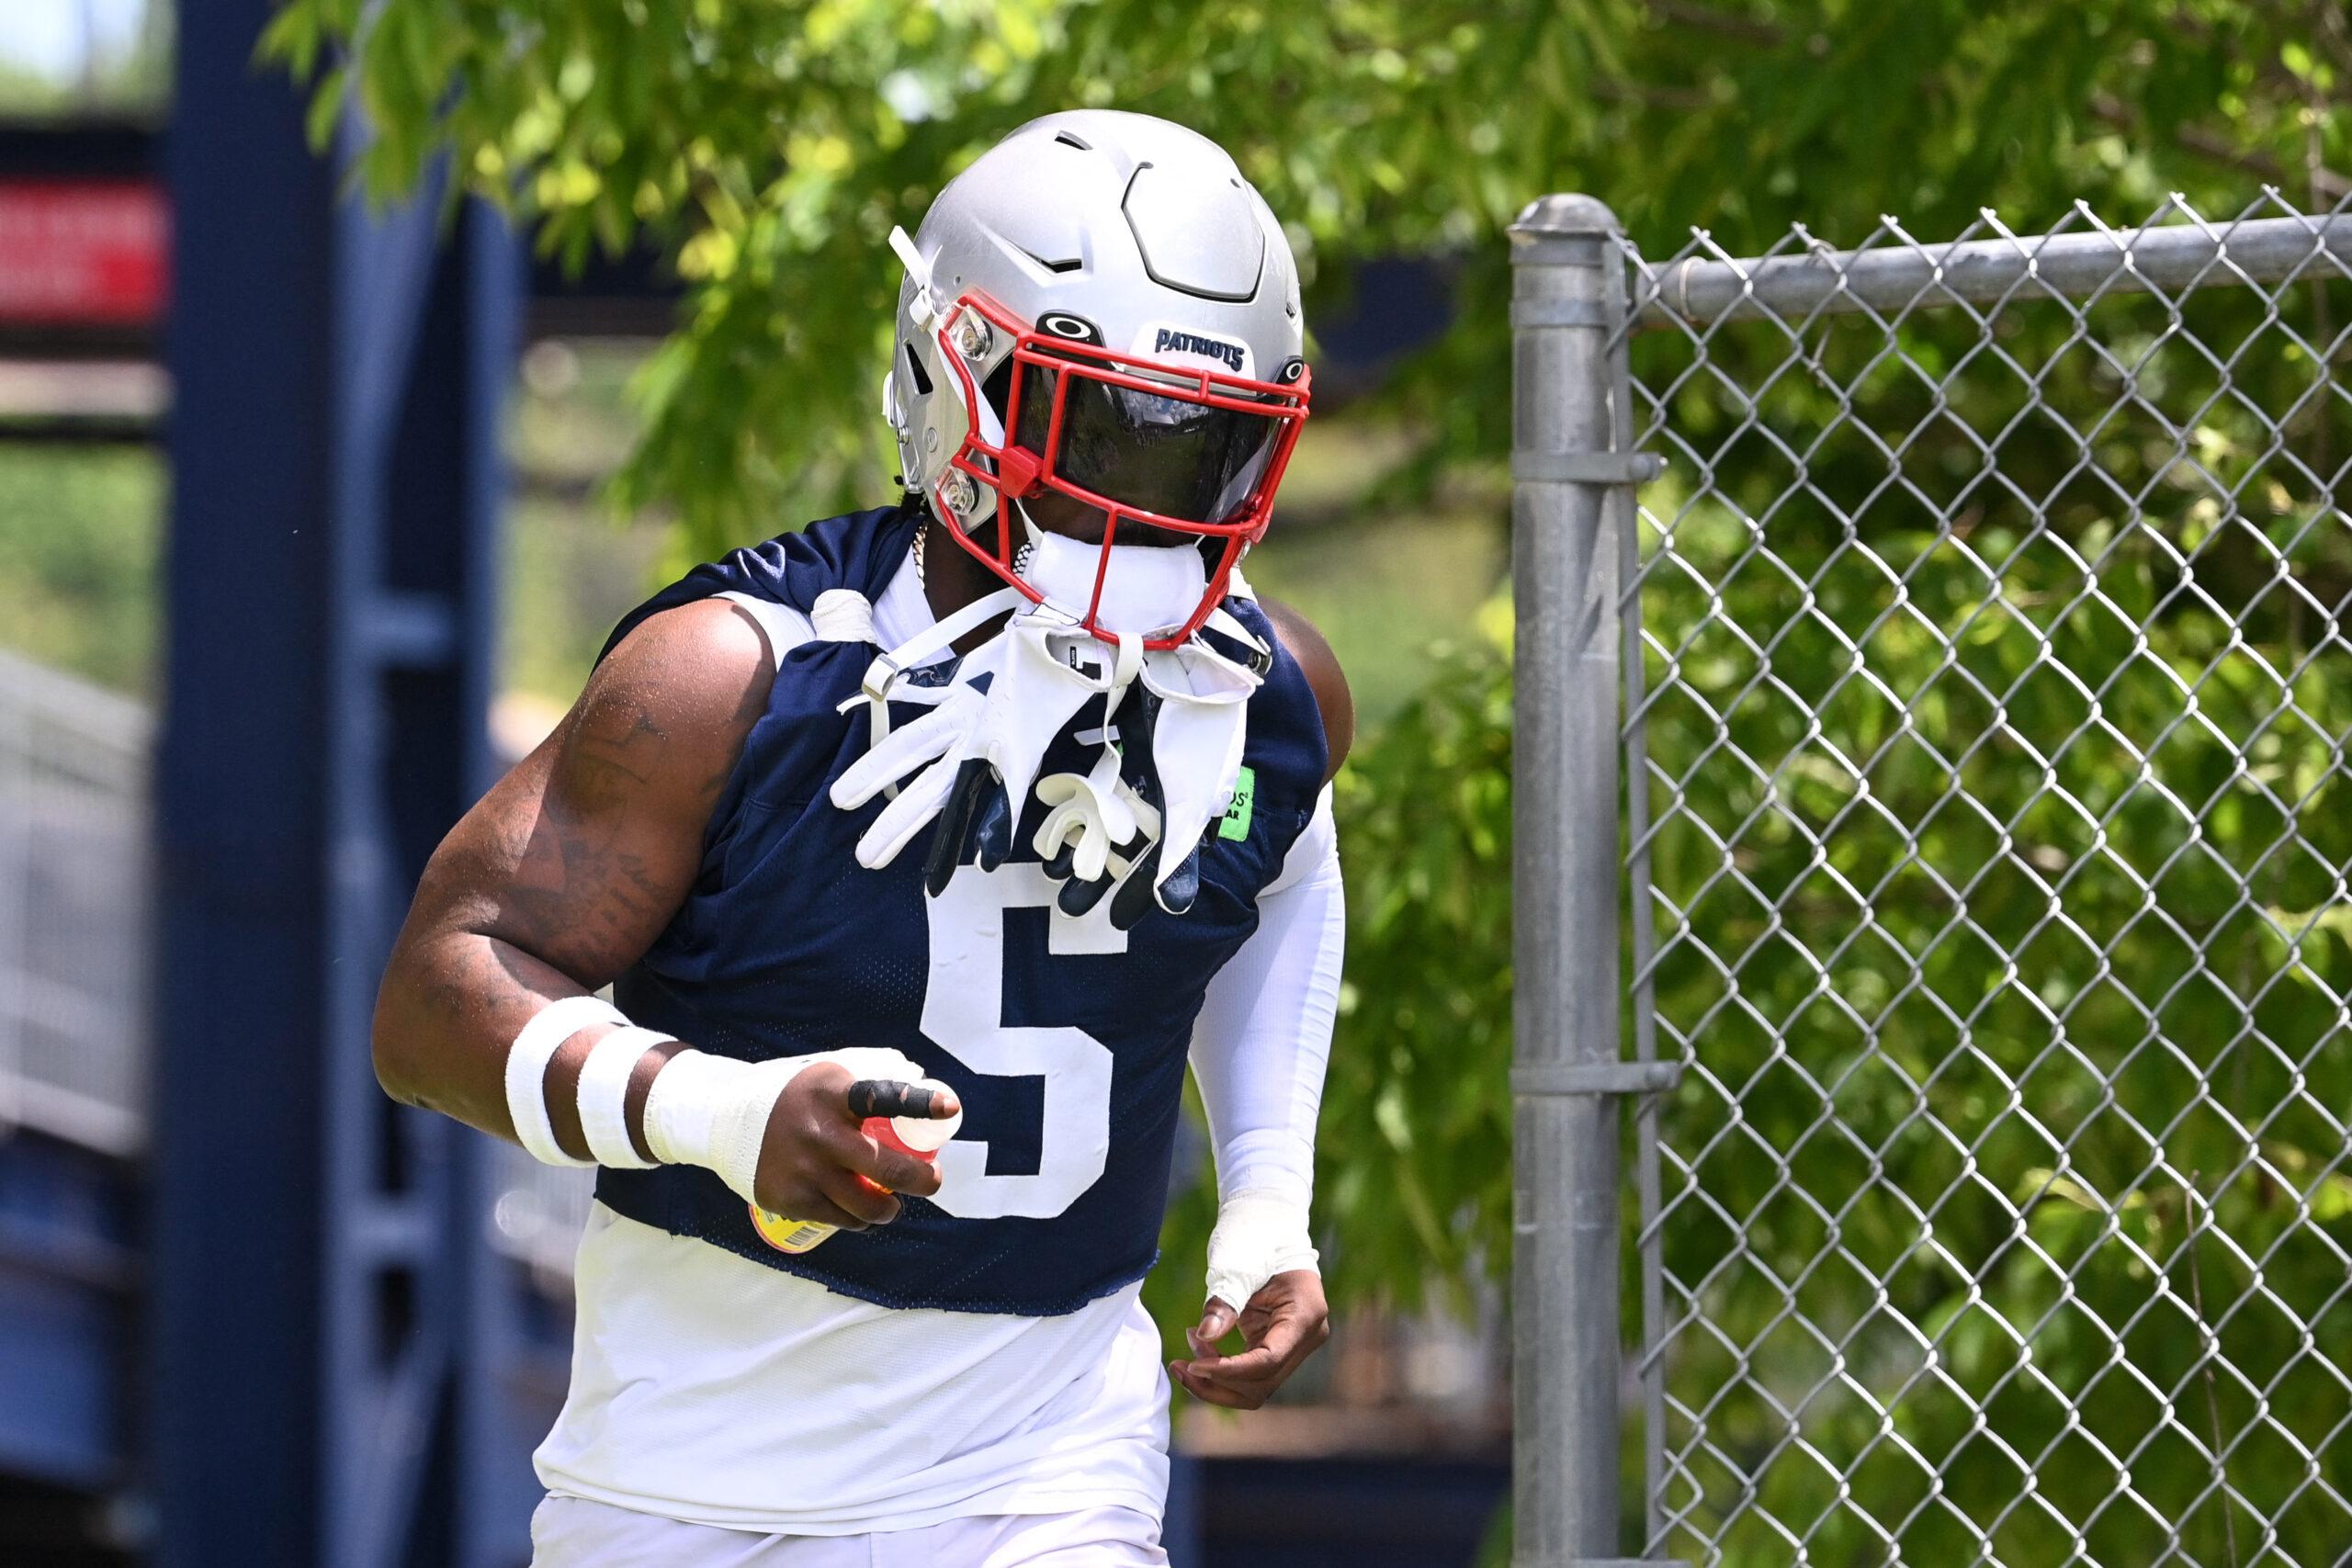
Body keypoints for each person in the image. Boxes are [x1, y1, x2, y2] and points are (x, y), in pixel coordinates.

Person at [373, 108, 1354, 1566]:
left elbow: (1278, 878)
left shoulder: (1263, 689)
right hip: (693, 1487)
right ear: (957, 381)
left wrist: (1269, 1199)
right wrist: (721, 1115)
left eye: (1201, 451)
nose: (1146, 508)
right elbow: (431, 1005)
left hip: (1048, 1471)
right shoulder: (732, 678)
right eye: (1103, 427)